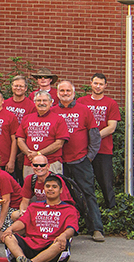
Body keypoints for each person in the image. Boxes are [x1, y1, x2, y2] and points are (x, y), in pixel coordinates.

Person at [54, 79, 104, 242]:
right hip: (60, 162)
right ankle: (67, 229)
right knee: (62, 197)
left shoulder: (84, 110)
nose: (65, 94)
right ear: (57, 93)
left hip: (80, 160)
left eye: (68, 91)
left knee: (88, 194)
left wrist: (88, 157)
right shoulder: (53, 111)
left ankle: (96, 228)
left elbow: (95, 136)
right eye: (62, 91)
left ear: (73, 93)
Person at [2, 174, 80, 262]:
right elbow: (22, 222)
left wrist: (63, 235)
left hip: (50, 246)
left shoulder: (69, 209)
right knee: (8, 236)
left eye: (54, 187)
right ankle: (23, 260)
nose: (50, 189)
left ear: (61, 190)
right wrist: (10, 228)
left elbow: (71, 228)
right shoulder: (34, 206)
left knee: (59, 244)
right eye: (47, 186)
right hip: (31, 243)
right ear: (44, 189)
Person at [77, 72, 121, 209]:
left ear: (105, 86)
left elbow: (111, 127)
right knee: (82, 184)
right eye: (95, 83)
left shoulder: (111, 103)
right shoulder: (81, 102)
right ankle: (83, 213)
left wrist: (93, 138)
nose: (98, 86)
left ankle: (111, 211)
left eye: (101, 84)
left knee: (106, 183)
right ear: (91, 83)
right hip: (83, 150)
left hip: (103, 150)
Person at [17, 91, 69, 177]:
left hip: (51, 163)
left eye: (44, 100)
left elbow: (59, 143)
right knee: (30, 188)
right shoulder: (27, 118)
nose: (41, 103)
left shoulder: (59, 119)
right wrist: (29, 154)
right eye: (38, 100)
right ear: (34, 102)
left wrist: (38, 154)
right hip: (30, 163)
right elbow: (20, 140)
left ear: (51, 102)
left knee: (51, 189)